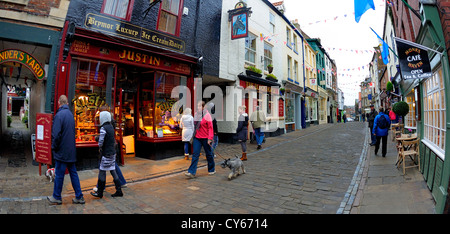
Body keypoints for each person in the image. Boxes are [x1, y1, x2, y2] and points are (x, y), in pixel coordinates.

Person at [48, 95, 85, 205]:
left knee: (59, 174)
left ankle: (56, 196)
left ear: (59, 103)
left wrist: (53, 147)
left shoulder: (59, 115)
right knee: (73, 174)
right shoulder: (70, 115)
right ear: (67, 103)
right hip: (71, 151)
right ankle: (79, 196)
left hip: (62, 151)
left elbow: (56, 134)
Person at [91, 111, 123, 198]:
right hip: (112, 153)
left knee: (102, 171)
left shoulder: (103, 128)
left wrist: (99, 144)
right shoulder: (111, 127)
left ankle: (100, 192)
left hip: (106, 153)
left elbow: (101, 142)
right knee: (113, 170)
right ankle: (119, 190)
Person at [185, 101, 215, 178]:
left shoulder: (207, 115)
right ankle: (191, 172)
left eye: (199, 106)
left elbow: (210, 128)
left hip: (205, 138)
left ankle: (211, 169)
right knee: (195, 154)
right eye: (197, 106)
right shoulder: (196, 115)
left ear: (203, 107)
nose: (198, 107)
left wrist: (210, 138)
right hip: (197, 138)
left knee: (208, 154)